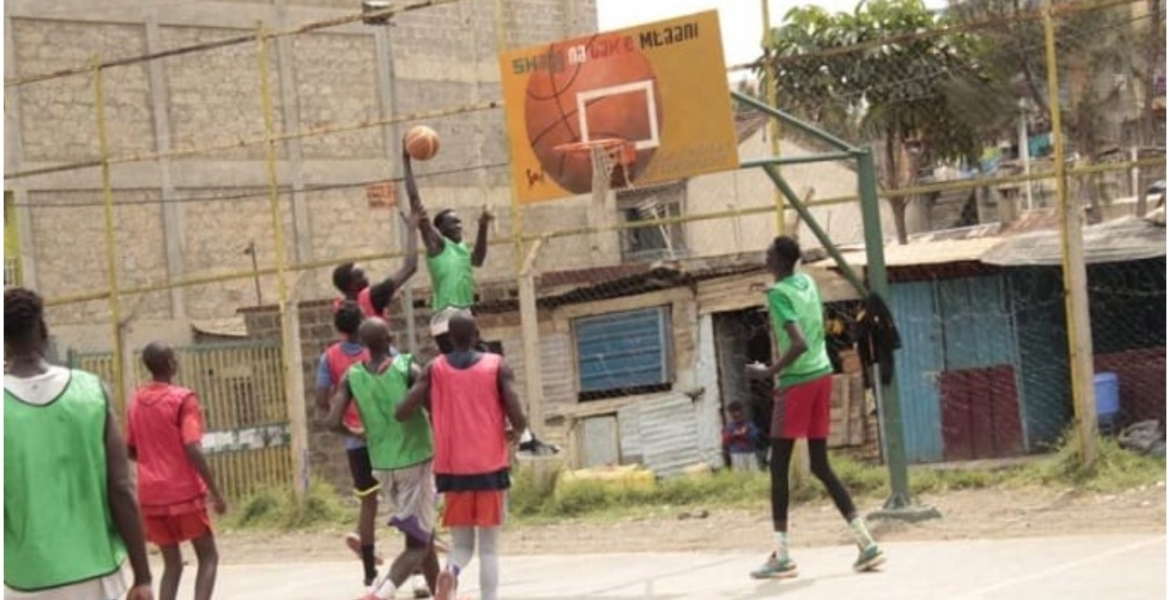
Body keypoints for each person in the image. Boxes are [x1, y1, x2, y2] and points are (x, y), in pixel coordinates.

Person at [744, 236, 884, 579]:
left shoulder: (778, 295)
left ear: (779, 260)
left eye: (768, 253)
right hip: (823, 375)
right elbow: (807, 321)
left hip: (796, 382)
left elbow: (799, 341)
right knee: (820, 464)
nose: (764, 257)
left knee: (778, 468)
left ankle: (782, 556)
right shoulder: (805, 282)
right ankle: (866, 542)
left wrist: (769, 371)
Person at [3, 287, 154, 600]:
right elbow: (121, 488)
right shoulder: (91, 392)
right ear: (43, 331)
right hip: (96, 573)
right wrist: (142, 576)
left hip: (26, 578)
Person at [397, 312, 527, 600]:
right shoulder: (496, 366)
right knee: (489, 548)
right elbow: (518, 415)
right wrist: (516, 432)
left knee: (462, 544)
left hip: (452, 470)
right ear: (477, 335)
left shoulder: (435, 368)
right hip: (489, 466)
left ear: (450, 339)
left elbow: (402, 410)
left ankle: (451, 572)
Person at [327, 317, 439, 600]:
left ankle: (442, 594)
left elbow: (332, 421)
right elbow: (436, 411)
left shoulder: (352, 377)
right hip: (414, 460)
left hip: (382, 465)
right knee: (419, 540)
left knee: (423, 530)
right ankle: (383, 591)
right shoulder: (407, 368)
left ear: (363, 345)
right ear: (390, 339)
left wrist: (356, 431)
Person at [126, 342, 227, 600]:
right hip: (184, 493)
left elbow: (131, 449)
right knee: (208, 556)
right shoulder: (183, 399)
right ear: (171, 363)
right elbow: (192, 447)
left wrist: (153, 457)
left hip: (151, 496)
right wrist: (216, 493)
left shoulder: (136, 401)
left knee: (172, 565)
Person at [404, 149, 494, 354]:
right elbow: (415, 200)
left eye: (460, 221)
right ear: (440, 230)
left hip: (464, 314)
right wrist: (406, 160)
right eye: (453, 223)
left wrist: (482, 226)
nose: (459, 225)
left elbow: (478, 260)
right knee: (465, 365)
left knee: (484, 360)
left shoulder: (461, 249)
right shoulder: (438, 246)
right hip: (447, 318)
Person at [331, 207, 423, 319]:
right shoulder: (371, 296)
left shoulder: (340, 308)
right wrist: (411, 229)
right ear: (352, 285)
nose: (367, 278)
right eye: (361, 276)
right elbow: (410, 267)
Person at [722, 401, 761, 472]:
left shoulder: (749, 425)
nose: (736, 414)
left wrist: (745, 434)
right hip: (737, 454)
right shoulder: (729, 427)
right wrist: (734, 435)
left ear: (742, 412)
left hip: (750, 453)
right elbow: (726, 441)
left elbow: (755, 437)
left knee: (753, 473)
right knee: (740, 475)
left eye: (737, 411)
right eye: (733, 413)